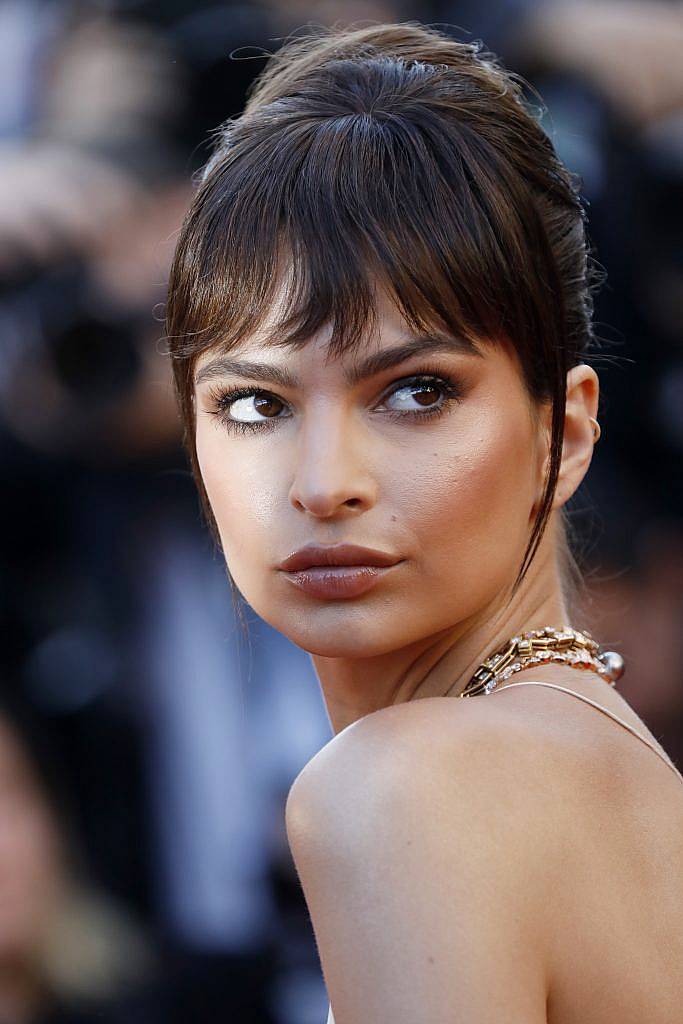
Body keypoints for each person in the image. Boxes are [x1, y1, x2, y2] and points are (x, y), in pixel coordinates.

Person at [165, 22, 683, 1022]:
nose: (323, 484)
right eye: (255, 404)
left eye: (413, 393)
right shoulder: (623, 781)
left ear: (563, 432)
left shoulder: (407, 789)